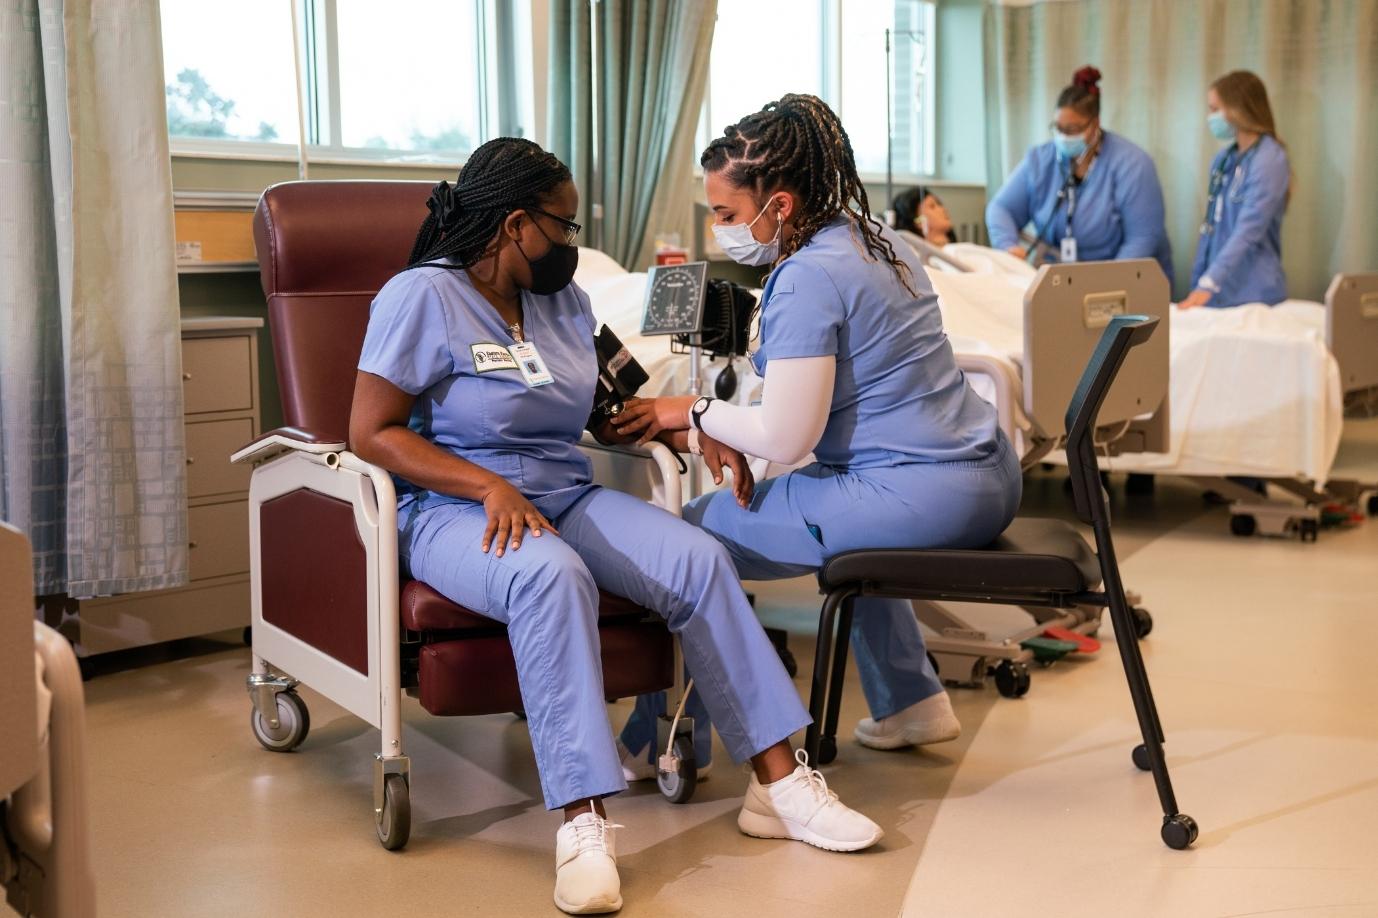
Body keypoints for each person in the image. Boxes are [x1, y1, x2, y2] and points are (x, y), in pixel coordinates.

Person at [349, 137, 883, 917]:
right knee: (551, 574)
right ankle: (583, 823)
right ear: (513, 224)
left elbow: (617, 406)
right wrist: (485, 483)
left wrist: (696, 434)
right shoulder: (419, 298)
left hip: (564, 496)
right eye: (562, 227)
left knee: (701, 560)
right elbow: (371, 432)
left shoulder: (564, 302)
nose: (572, 243)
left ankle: (780, 787)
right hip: (454, 508)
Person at [613, 95, 1022, 777]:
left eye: (726, 215)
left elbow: (783, 433)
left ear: (779, 204)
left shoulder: (806, 277)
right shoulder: (876, 239)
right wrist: (727, 429)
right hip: (990, 477)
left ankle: (655, 738)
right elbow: (821, 421)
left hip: (918, 495)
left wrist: (690, 412)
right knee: (836, 497)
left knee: (684, 540)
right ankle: (909, 702)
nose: (720, 231)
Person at [985, 66, 1173, 281]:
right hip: (1060, 281)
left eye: (1072, 130)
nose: (1063, 136)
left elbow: (1142, 238)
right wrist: (1008, 245)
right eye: (1058, 128)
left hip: (1124, 280)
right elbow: (1000, 208)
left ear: (1095, 125)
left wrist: (1109, 286)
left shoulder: (1133, 164)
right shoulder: (1040, 160)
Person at [1182, 70, 1290, 308]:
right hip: (1216, 292)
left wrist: (1210, 281)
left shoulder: (1270, 159)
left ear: (1237, 109)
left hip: (1254, 294)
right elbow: (1209, 227)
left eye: (1214, 109)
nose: (1210, 117)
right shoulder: (1223, 160)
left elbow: (1249, 230)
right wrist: (1199, 280)